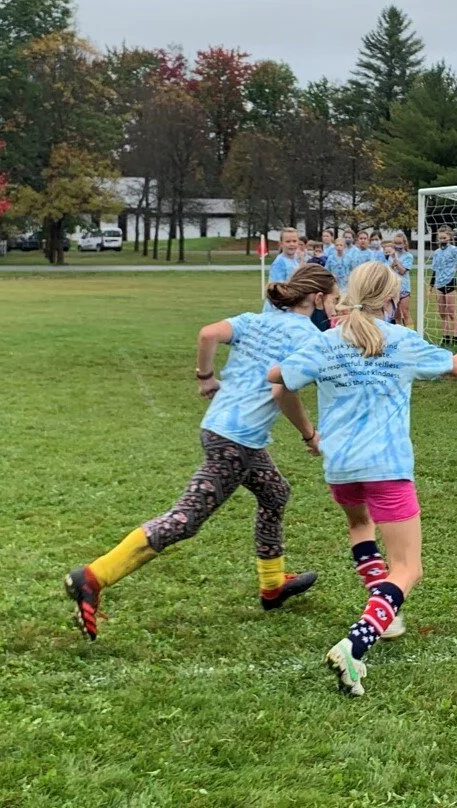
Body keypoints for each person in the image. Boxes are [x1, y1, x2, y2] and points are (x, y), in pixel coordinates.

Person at [64, 265, 337, 639]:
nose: (335, 305)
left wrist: (205, 377)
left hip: (220, 428)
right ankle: (93, 577)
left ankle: (273, 585)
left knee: (275, 492)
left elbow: (208, 333)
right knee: (185, 519)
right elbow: (281, 391)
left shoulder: (256, 320)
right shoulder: (308, 337)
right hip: (235, 442)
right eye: (334, 299)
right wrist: (309, 435)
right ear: (318, 298)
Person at [268, 262, 457, 697]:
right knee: (408, 568)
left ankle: (384, 608)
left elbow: (279, 381)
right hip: (387, 466)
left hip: (340, 465)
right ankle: (355, 644)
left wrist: (308, 431)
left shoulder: (326, 341)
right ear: (390, 300)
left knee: (359, 525)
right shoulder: (400, 340)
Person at [428, 227, 457, 346]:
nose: (442, 240)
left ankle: (455, 338)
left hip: (450, 282)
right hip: (439, 284)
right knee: (442, 313)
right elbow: (435, 270)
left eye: (444, 237)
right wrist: (431, 286)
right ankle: (445, 337)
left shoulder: (454, 250)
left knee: (451, 312)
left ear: (449, 237)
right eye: (440, 238)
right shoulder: (436, 253)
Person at [390, 231, 414, 326]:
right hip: (394, 288)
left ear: (404, 244)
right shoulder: (391, 256)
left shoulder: (408, 256)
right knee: (396, 314)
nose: (397, 245)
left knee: (405, 312)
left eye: (399, 243)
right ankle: (399, 332)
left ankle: (411, 331)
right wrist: (391, 265)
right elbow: (389, 270)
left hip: (404, 288)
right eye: (396, 243)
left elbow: (402, 271)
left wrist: (395, 261)